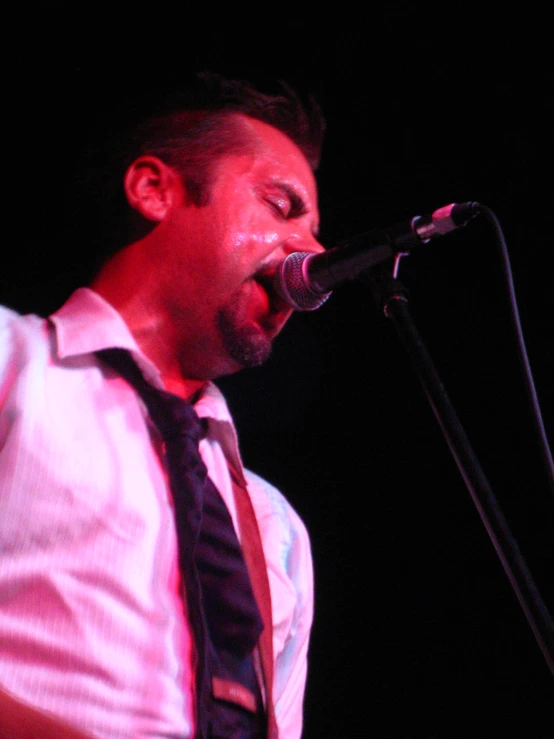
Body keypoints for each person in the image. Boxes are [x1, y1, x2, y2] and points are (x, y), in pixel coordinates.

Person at [0, 72, 326, 738]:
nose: (314, 253)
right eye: (281, 205)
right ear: (154, 189)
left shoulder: (277, 529)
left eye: (316, 230)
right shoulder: (11, 363)